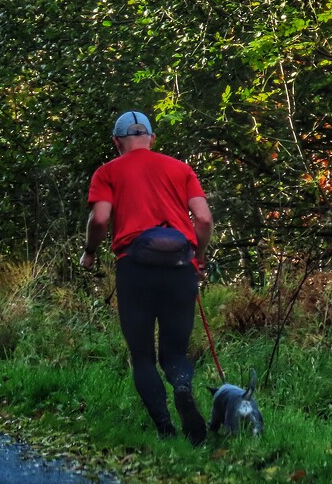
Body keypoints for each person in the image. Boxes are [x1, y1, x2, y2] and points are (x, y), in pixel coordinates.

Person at [81, 110, 214, 445]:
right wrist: (197, 258)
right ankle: (182, 386)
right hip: (179, 269)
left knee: (142, 355)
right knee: (175, 354)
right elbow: (204, 220)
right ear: (152, 139)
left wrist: (90, 251)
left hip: (134, 268)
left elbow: (99, 219)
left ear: (116, 141)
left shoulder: (107, 172)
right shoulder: (180, 169)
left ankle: (165, 430)